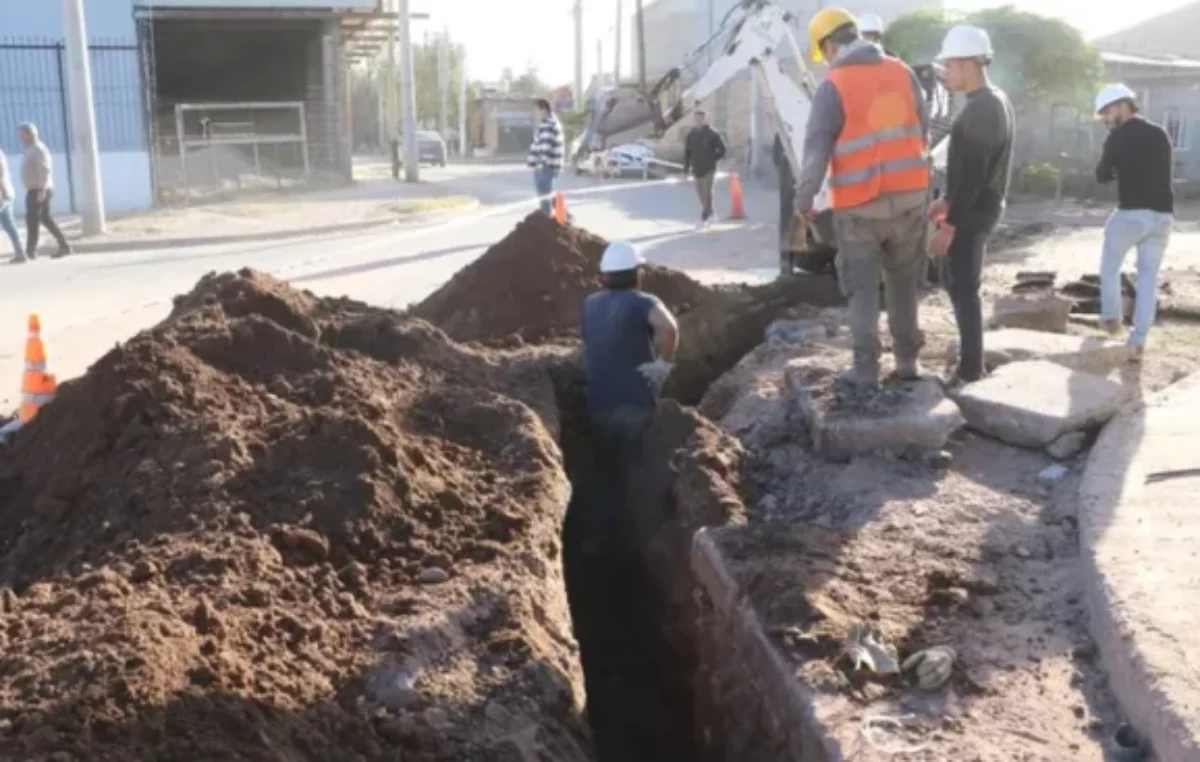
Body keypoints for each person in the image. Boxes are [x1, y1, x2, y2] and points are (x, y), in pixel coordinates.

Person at [796, 7, 931, 387]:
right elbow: (923, 132)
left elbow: (816, 150)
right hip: (910, 200)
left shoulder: (834, 85)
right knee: (904, 285)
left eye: (824, 55)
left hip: (860, 206)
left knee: (863, 288)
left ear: (829, 46)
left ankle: (866, 369)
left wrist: (803, 202)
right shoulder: (902, 72)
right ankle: (907, 363)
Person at [926, 26, 1014, 385]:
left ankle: (970, 370)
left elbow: (975, 173)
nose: (946, 72)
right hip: (975, 206)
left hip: (974, 213)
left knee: (964, 290)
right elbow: (972, 169)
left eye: (949, 64)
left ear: (967, 63)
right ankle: (970, 362)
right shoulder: (991, 101)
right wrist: (947, 199)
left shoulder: (982, 110)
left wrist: (950, 225)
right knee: (956, 282)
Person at [1092, 83, 1174, 364]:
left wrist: (1114, 166)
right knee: (1149, 278)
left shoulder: (1118, 138)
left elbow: (1102, 175)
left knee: (1110, 264)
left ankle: (1112, 317)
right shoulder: (1160, 133)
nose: (1105, 118)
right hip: (1163, 216)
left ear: (1122, 105)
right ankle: (1138, 341)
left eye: (1107, 111)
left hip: (1131, 214)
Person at [18, 123, 72, 259]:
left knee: (33, 220)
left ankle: (31, 250)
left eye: (22, 134)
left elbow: (45, 169)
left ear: (30, 134)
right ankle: (64, 245)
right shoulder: (31, 149)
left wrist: (42, 189)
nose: (20, 137)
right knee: (44, 219)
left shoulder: (38, 149)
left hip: (39, 190)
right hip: (35, 189)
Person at [683, 109, 727, 226]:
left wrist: (713, 158)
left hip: (709, 168)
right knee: (699, 192)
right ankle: (710, 212)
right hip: (696, 168)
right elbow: (687, 152)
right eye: (696, 118)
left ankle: (706, 214)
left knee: (707, 192)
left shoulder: (712, 133)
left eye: (700, 118)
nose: (698, 121)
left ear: (705, 119)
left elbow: (722, 150)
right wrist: (686, 168)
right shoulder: (691, 134)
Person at [527, 98, 565, 215]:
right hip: (547, 166)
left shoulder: (547, 124)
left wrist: (542, 164)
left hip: (546, 166)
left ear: (543, 110)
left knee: (545, 197)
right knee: (546, 194)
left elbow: (545, 147)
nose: (533, 114)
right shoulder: (550, 123)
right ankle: (561, 214)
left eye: (535, 110)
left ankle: (551, 220)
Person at [0, 147, 23, 263]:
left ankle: (20, 252)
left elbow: (1, 172)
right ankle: (20, 252)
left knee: (9, 224)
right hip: (6, 193)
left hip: (2, 193)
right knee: (9, 224)